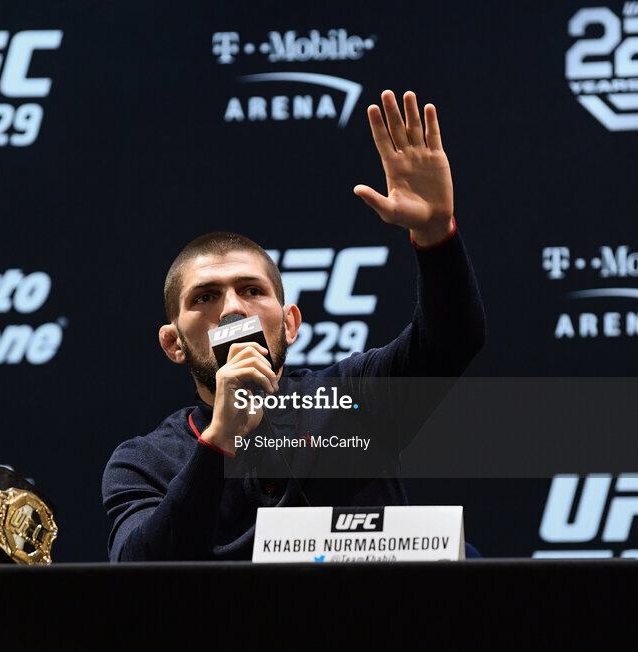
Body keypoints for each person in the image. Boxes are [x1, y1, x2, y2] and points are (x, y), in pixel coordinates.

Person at [102, 90, 485, 561]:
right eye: (204, 297)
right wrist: (220, 439)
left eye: (252, 290)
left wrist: (434, 235)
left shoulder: (352, 398)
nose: (232, 310)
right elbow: (138, 574)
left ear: (290, 324)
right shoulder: (143, 462)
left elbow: (451, 340)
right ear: (172, 343)